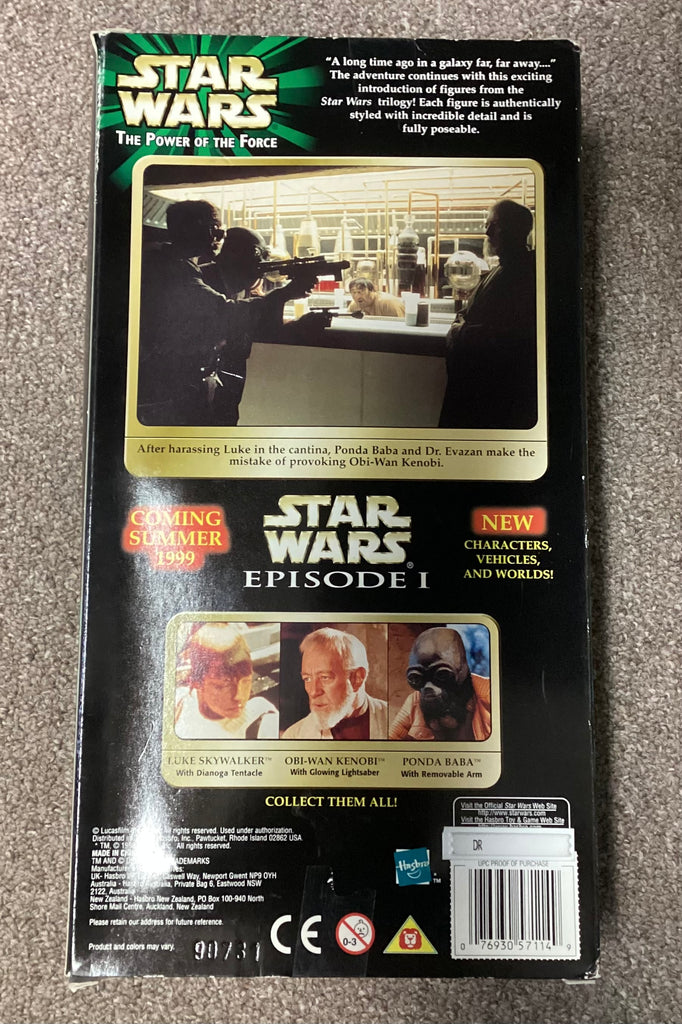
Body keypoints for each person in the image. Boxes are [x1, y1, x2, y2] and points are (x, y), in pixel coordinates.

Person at [137, 203, 316, 426]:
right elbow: (223, 313)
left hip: (179, 384)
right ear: (192, 228)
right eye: (215, 228)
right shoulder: (170, 270)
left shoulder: (176, 264)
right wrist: (285, 294)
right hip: (165, 390)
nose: (220, 236)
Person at [438, 199, 537, 429]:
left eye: (495, 225)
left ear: (517, 229)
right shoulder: (500, 270)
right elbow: (466, 313)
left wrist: (459, 332)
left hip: (494, 392)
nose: (487, 232)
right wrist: (461, 326)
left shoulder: (525, 274)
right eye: (487, 225)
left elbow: (508, 335)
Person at [175, 622, 278, 739]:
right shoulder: (179, 703)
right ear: (197, 682)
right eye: (222, 686)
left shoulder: (262, 721)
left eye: (246, 681)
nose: (238, 696)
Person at [282, 628, 388, 740]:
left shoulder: (393, 719)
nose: (313, 692)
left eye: (325, 677)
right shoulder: (294, 736)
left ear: (357, 678)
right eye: (307, 678)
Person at [389, 627, 491, 742]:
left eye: (442, 675)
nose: (429, 688)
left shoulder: (489, 695)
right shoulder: (415, 701)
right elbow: (389, 742)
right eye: (417, 678)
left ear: (463, 669)